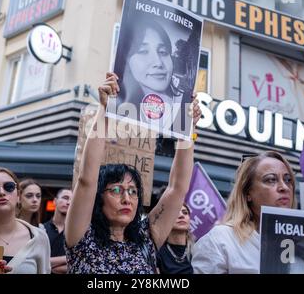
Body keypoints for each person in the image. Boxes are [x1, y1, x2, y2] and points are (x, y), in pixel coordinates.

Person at [65, 72, 201, 274]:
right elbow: (87, 179)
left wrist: (187, 129)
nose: (127, 199)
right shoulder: (83, 239)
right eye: (117, 190)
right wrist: (106, 110)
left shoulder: (146, 239)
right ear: (98, 196)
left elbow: (177, 188)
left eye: (133, 191)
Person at [192, 151, 297, 274]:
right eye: (271, 180)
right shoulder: (221, 239)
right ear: (248, 193)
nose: (284, 187)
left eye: (288, 179)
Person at [113, 17, 198, 136]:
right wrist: (103, 108)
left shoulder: (184, 103)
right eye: (143, 51)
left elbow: (183, 144)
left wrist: (191, 127)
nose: (158, 62)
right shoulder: (117, 105)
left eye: (163, 52)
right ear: (126, 59)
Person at [156, 203, 194, 274]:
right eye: (175, 212)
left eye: (185, 213)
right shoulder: (157, 252)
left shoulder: (197, 250)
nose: (181, 215)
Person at [44, 188, 72, 274]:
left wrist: (49, 264)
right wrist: (67, 258)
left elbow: (79, 263)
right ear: (55, 201)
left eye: (72, 200)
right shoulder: (41, 229)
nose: (68, 202)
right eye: (65, 198)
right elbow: (37, 261)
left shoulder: (76, 232)